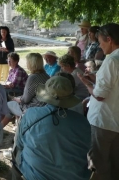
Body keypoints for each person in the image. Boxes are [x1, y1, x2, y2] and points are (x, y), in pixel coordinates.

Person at [12, 76, 91, 180]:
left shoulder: (30, 114)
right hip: (75, 176)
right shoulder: (82, 121)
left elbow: (19, 144)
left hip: (36, 175)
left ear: (46, 94)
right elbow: (87, 151)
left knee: (15, 153)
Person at [77, 23, 119, 180]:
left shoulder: (112, 60)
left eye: (101, 42)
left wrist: (85, 82)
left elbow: (100, 95)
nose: (100, 46)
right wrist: (95, 78)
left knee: (99, 164)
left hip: (104, 121)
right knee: (116, 162)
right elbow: (113, 83)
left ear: (109, 39)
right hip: (115, 120)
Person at [2, 53, 50, 126]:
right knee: (13, 101)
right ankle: (18, 123)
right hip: (44, 105)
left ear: (31, 63)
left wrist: (15, 99)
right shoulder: (46, 75)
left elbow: (25, 100)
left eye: (27, 62)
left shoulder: (33, 77)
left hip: (35, 107)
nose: (26, 63)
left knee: (8, 104)